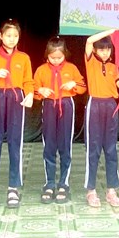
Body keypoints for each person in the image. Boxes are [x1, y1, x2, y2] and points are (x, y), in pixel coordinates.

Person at [0, 19, 33, 209]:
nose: (12, 39)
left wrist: (30, 95)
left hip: (16, 98)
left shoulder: (24, 58)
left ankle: (13, 187)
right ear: (0, 36)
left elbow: (28, 81)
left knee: (15, 144)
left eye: (15, 36)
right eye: (8, 35)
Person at [33, 36, 86, 204]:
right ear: (47, 55)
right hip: (49, 106)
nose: (56, 60)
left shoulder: (71, 68)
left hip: (66, 105)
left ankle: (64, 183)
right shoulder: (41, 70)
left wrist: (73, 85)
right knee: (49, 145)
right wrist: (40, 90)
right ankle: (49, 183)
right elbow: (33, 90)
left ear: (65, 54)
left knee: (65, 144)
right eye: (52, 57)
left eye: (59, 57)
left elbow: (83, 87)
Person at [83, 28, 119, 208]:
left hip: (111, 106)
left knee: (111, 149)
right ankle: (91, 190)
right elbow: (89, 40)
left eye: (108, 49)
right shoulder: (90, 61)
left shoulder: (113, 66)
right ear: (95, 50)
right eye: (101, 49)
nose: (105, 52)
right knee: (93, 149)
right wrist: (111, 31)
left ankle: (111, 190)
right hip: (94, 104)